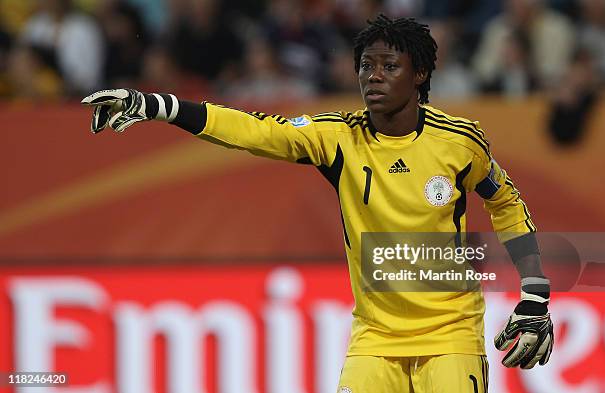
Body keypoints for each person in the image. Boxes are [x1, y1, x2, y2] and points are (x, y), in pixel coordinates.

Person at [82, 15, 553, 393]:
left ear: (421, 74)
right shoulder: (339, 137)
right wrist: (156, 105)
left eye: (390, 66)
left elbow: (507, 205)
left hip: (452, 334)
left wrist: (534, 297)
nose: (374, 76)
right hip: (375, 338)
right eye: (366, 65)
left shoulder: (459, 143)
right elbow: (256, 130)